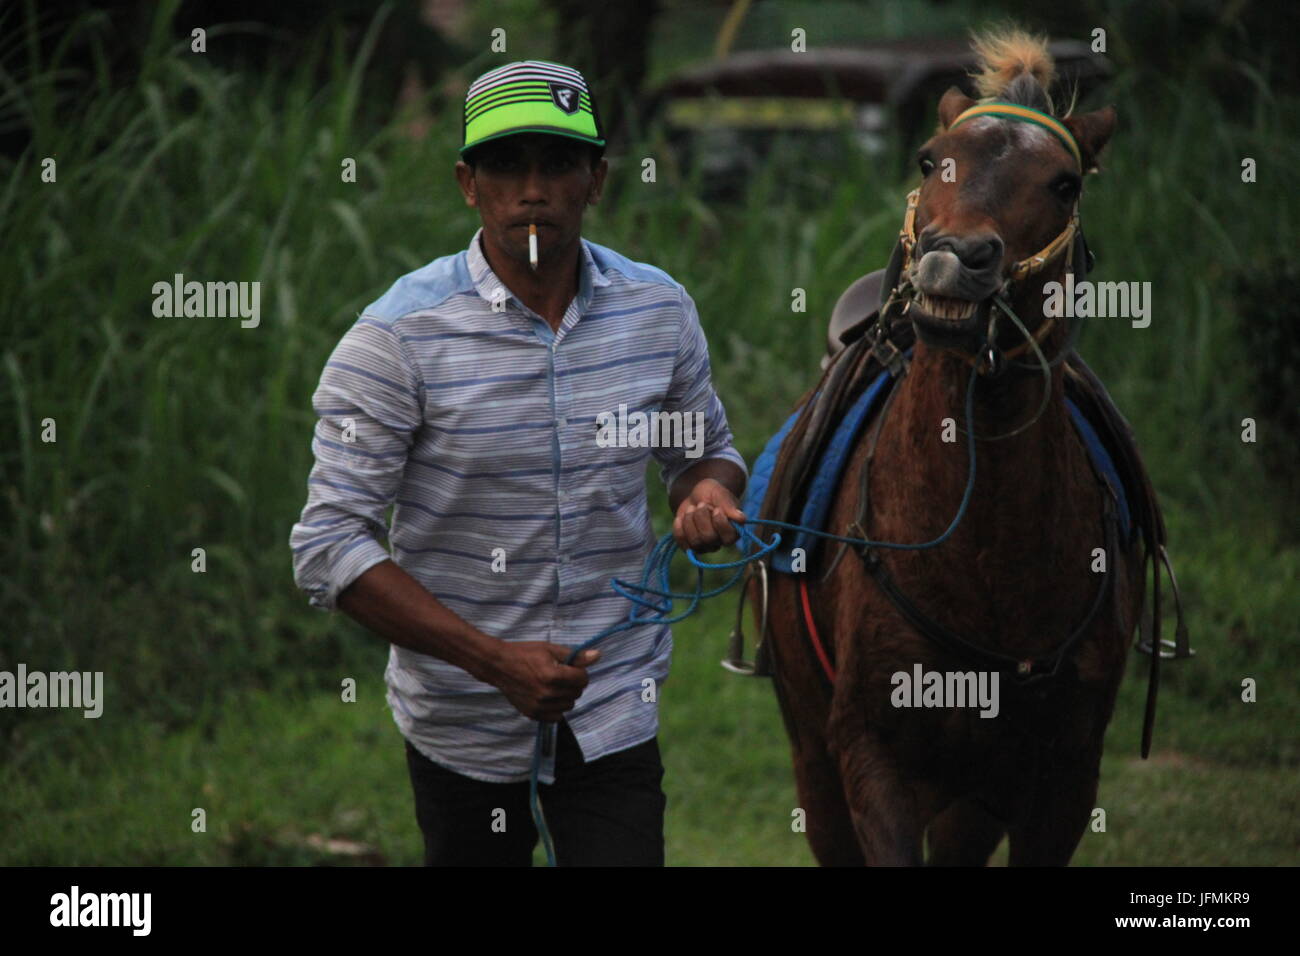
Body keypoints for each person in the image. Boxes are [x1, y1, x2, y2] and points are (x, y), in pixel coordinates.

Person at [289, 60, 748, 866]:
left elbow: (701, 450)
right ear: (468, 183)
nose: (531, 189)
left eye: (557, 163)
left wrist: (706, 493)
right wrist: (495, 662)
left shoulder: (658, 311)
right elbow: (329, 546)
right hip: (461, 724)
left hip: (613, 707)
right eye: (506, 165)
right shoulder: (396, 339)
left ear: (596, 178)